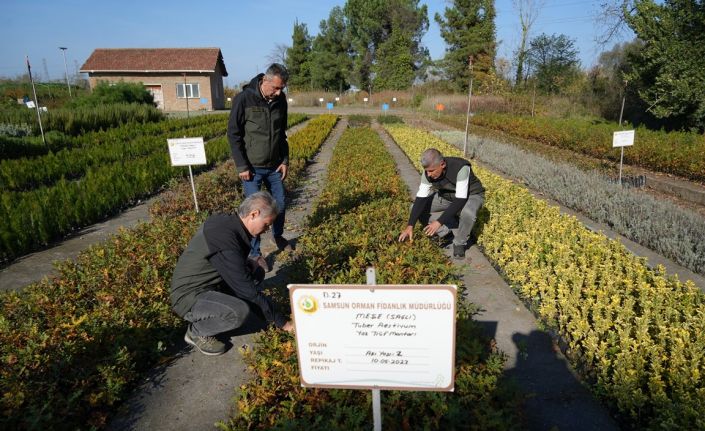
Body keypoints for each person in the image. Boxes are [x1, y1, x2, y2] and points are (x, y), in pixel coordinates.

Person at [170, 191, 294, 356]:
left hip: (211, 284)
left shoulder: (228, 223)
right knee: (238, 312)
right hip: (190, 296)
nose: (267, 230)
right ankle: (198, 331)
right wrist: (283, 323)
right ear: (253, 214)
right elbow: (247, 289)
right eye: (266, 224)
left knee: (256, 270)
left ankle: (225, 305)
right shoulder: (224, 237)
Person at [227, 63, 291, 272]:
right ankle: (255, 253)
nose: (279, 92)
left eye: (282, 88)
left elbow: (282, 133)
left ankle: (278, 235)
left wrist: (285, 160)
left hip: (274, 166)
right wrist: (242, 165)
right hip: (251, 169)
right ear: (265, 80)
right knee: (255, 212)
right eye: (276, 88)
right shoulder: (243, 99)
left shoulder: (280, 101)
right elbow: (233, 134)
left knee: (280, 203)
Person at [398, 148, 485, 259]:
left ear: (442, 164)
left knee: (468, 213)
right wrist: (410, 226)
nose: (428, 175)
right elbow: (420, 198)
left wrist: (439, 221)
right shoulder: (427, 173)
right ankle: (445, 234)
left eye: (432, 171)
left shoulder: (461, 168)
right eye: (427, 171)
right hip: (447, 195)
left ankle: (459, 243)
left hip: (471, 195)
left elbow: (460, 199)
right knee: (414, 207)